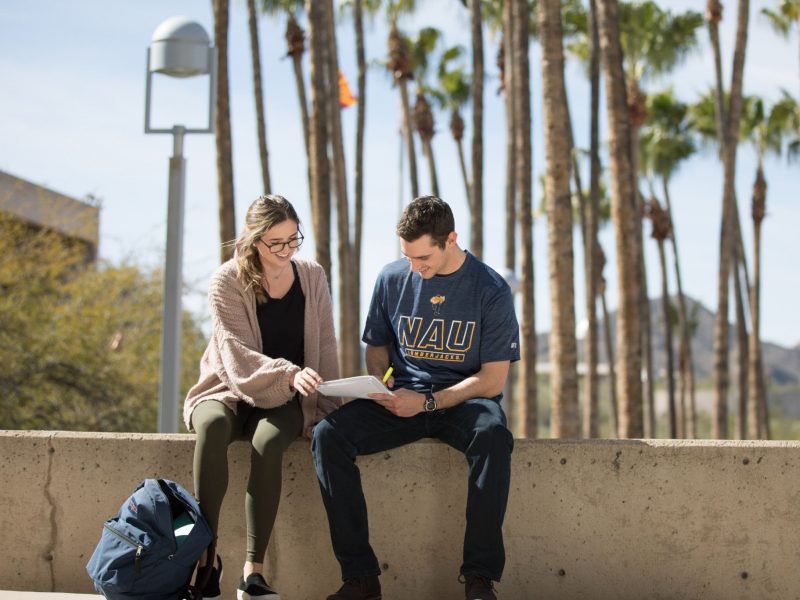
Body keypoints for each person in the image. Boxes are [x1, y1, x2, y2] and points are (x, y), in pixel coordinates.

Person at [312, 196, 519, 600]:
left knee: (493, 434)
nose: (415, 268)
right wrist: (380, 383)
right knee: (327, 435)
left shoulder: (491, 289)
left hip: (463, 401)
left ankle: (479, 578)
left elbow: (492, 380)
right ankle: (360, 577)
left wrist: (427, 403)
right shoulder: (392, 278)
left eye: (423, 258)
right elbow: (377, 347)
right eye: (407, 257)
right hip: (401, 397)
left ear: (451, 239)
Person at [184, 195, 340, 600]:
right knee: (214, 427)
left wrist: (324, 406)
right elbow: (235, 352)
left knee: (269, 442)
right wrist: (289, 373)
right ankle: (205, 559)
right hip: (226, 387)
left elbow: (325, 346)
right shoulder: (227, 279)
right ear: (254, 240)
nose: (286, 251)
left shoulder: (312, 276)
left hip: (286, 396)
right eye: (276, 243)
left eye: (294, 240)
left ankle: (252, 572)